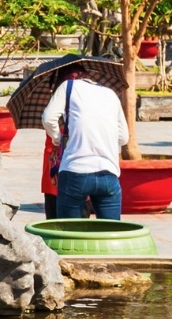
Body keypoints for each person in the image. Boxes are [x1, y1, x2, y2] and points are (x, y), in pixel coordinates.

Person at [40, 66, 129, 220]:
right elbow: (123, 138)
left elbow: (48, 118)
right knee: (112, 233)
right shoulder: (110, 94)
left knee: (70, 233)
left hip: (75, 172)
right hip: (109, 174)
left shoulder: (67, 86)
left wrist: (57, 138)